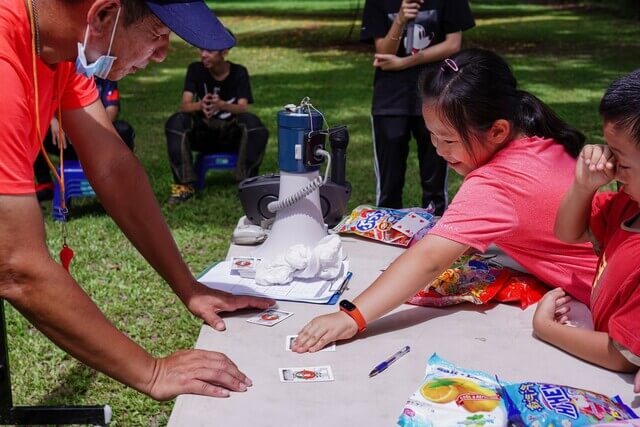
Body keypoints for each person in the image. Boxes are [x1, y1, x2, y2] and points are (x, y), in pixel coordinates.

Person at [0, 0, 274, 401]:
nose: (162, 55)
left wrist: (189, 287)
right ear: (104, 16)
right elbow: (16, 266)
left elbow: (113, 167)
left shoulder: (57, 48)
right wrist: (151, 373)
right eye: (156, 35)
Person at [292, 48, 598, 353]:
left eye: (448, 139)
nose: (438, 149)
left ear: (498, 130)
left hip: (608, 299)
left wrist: (352, 316)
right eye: (432, 136)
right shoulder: (536, 137)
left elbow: (430, 260)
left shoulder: (494, 184)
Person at [532, 70, 640, 393]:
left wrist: (545, 328)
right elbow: (568, 231)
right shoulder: (628, 204)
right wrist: (582, 185)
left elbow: (621, 355)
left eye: (619, 159)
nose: (608, 166)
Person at [360, 0, 474, 215]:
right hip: (391, 100)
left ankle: (436, 233)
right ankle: (385, 233)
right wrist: (400, 19)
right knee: (388, 186)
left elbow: (453, 45)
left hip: (436, 97)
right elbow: (384, 51)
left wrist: (405, 62)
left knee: (435, 185)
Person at [164, 36, 269, 204]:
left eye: (209, 51)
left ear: (224, 52)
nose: (203, 55)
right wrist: (200, 105)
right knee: (176, 122)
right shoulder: (195, 70)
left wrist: (221, 105)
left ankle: (246, 183)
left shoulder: (239, 72)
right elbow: (184, 106)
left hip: (230, 134)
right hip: (203, 134)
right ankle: (183, 186)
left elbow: (243, 107)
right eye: (201, 50)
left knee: (254, 125)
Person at [33, 76, 135, 201]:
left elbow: (112, 109)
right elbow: (46, 100)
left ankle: (123, 179)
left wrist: (92, 130)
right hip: (67, 141)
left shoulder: (106, 75)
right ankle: (45, 183)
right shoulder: (66, 72)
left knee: (123, 130)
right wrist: (53, 119)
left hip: (98, 139)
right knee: (35, 130)